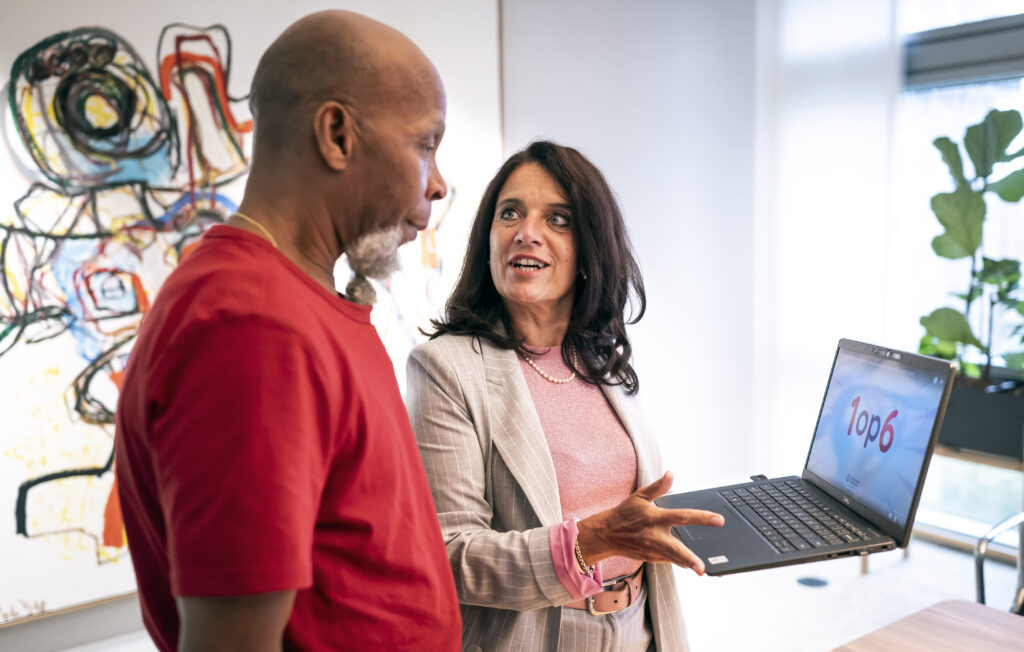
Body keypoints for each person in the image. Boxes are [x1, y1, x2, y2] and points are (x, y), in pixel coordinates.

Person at [114, 11, 460, 651]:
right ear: (336, 134)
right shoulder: (250, 326)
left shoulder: (300, 301)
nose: (438, 184)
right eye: (425, 144)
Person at [406, 141, 725, 651]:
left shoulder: (601, 358)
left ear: (588, 250)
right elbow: (451, 556)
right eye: (509, 213)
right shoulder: (445, 366)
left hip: (639, 627)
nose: (526, 233)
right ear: (488, 237)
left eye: (558, 219)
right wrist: (596, 541)